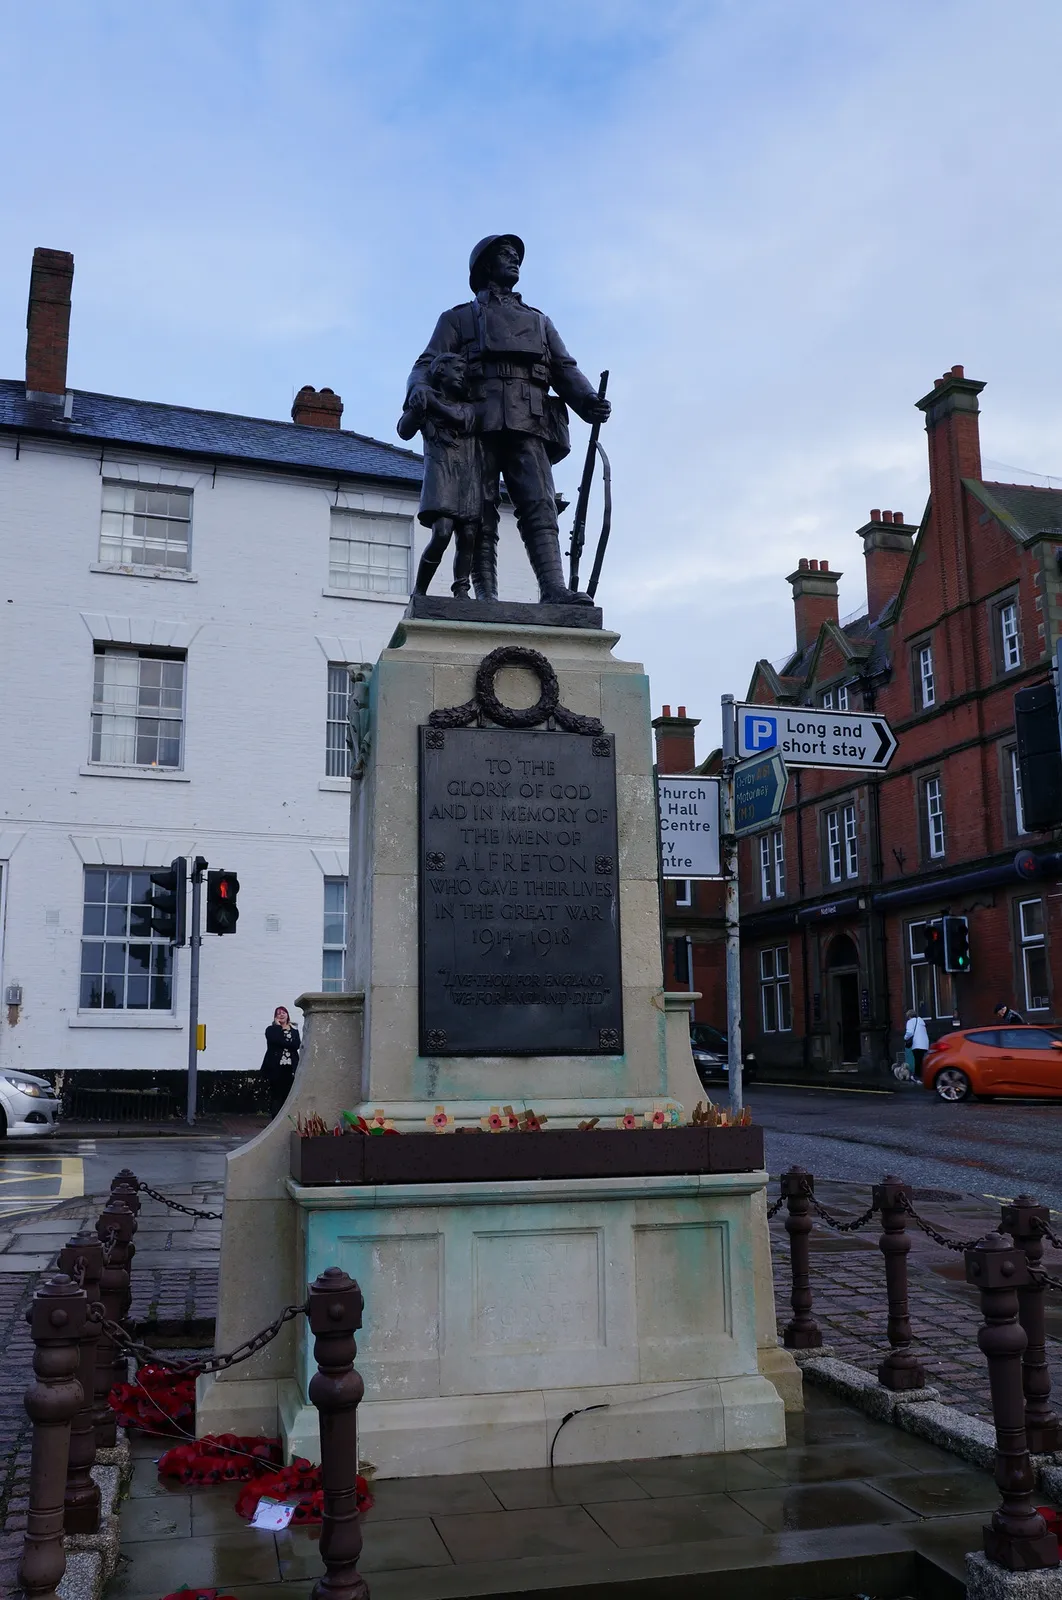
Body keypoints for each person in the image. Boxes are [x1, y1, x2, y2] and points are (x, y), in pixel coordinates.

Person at [404, 234, 610, 606]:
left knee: (540, 505)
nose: (514, 259)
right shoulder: (458, 319)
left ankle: (553, 589)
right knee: (477, 512)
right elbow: (425, 364)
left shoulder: (539, 321)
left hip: (529, 420)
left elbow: (564, 368)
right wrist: (420, 391)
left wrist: (588, 401)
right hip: (477, 422)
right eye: (505, 254)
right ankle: (486, 597)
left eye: (517, 255)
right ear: (484, 266)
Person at [397, 351, 482, 599]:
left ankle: (461, 588)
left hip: (467, 474)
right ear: (441, 371)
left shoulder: (468, 408)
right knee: (443, 532)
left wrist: (428, 398)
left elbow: (460, 419)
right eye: (457, 371)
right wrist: (416, 407)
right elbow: (404, 430)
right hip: (441, 473)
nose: (462, 377)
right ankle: (420, 591)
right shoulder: (426, 403)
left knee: (468, 535)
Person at [261, 1005, 300, 1118]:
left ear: (287, 1015)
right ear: (275, 1017)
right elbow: (276, 1040)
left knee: (288, 1094)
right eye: (278, 1013)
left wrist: (284, 1042)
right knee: (276, 1095)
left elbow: (296, 1045)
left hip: (290, 1067)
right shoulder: (271, 1030)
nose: (281, 1015)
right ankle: (275, 1118)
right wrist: (278, 1027)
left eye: (283, 1012)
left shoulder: (294, 1031)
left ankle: (286, 1117)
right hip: (276, 1067)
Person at [904, 1008, 929, 1080]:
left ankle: (917, 1076)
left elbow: (910, 1033)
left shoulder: (910, 1022)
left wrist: (905, 1038)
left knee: (917, 1060)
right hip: (924, 1044)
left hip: (917, 1044)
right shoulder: (921, 1021)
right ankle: (922, 1075)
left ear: (909, 1016)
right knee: (921, 1060)